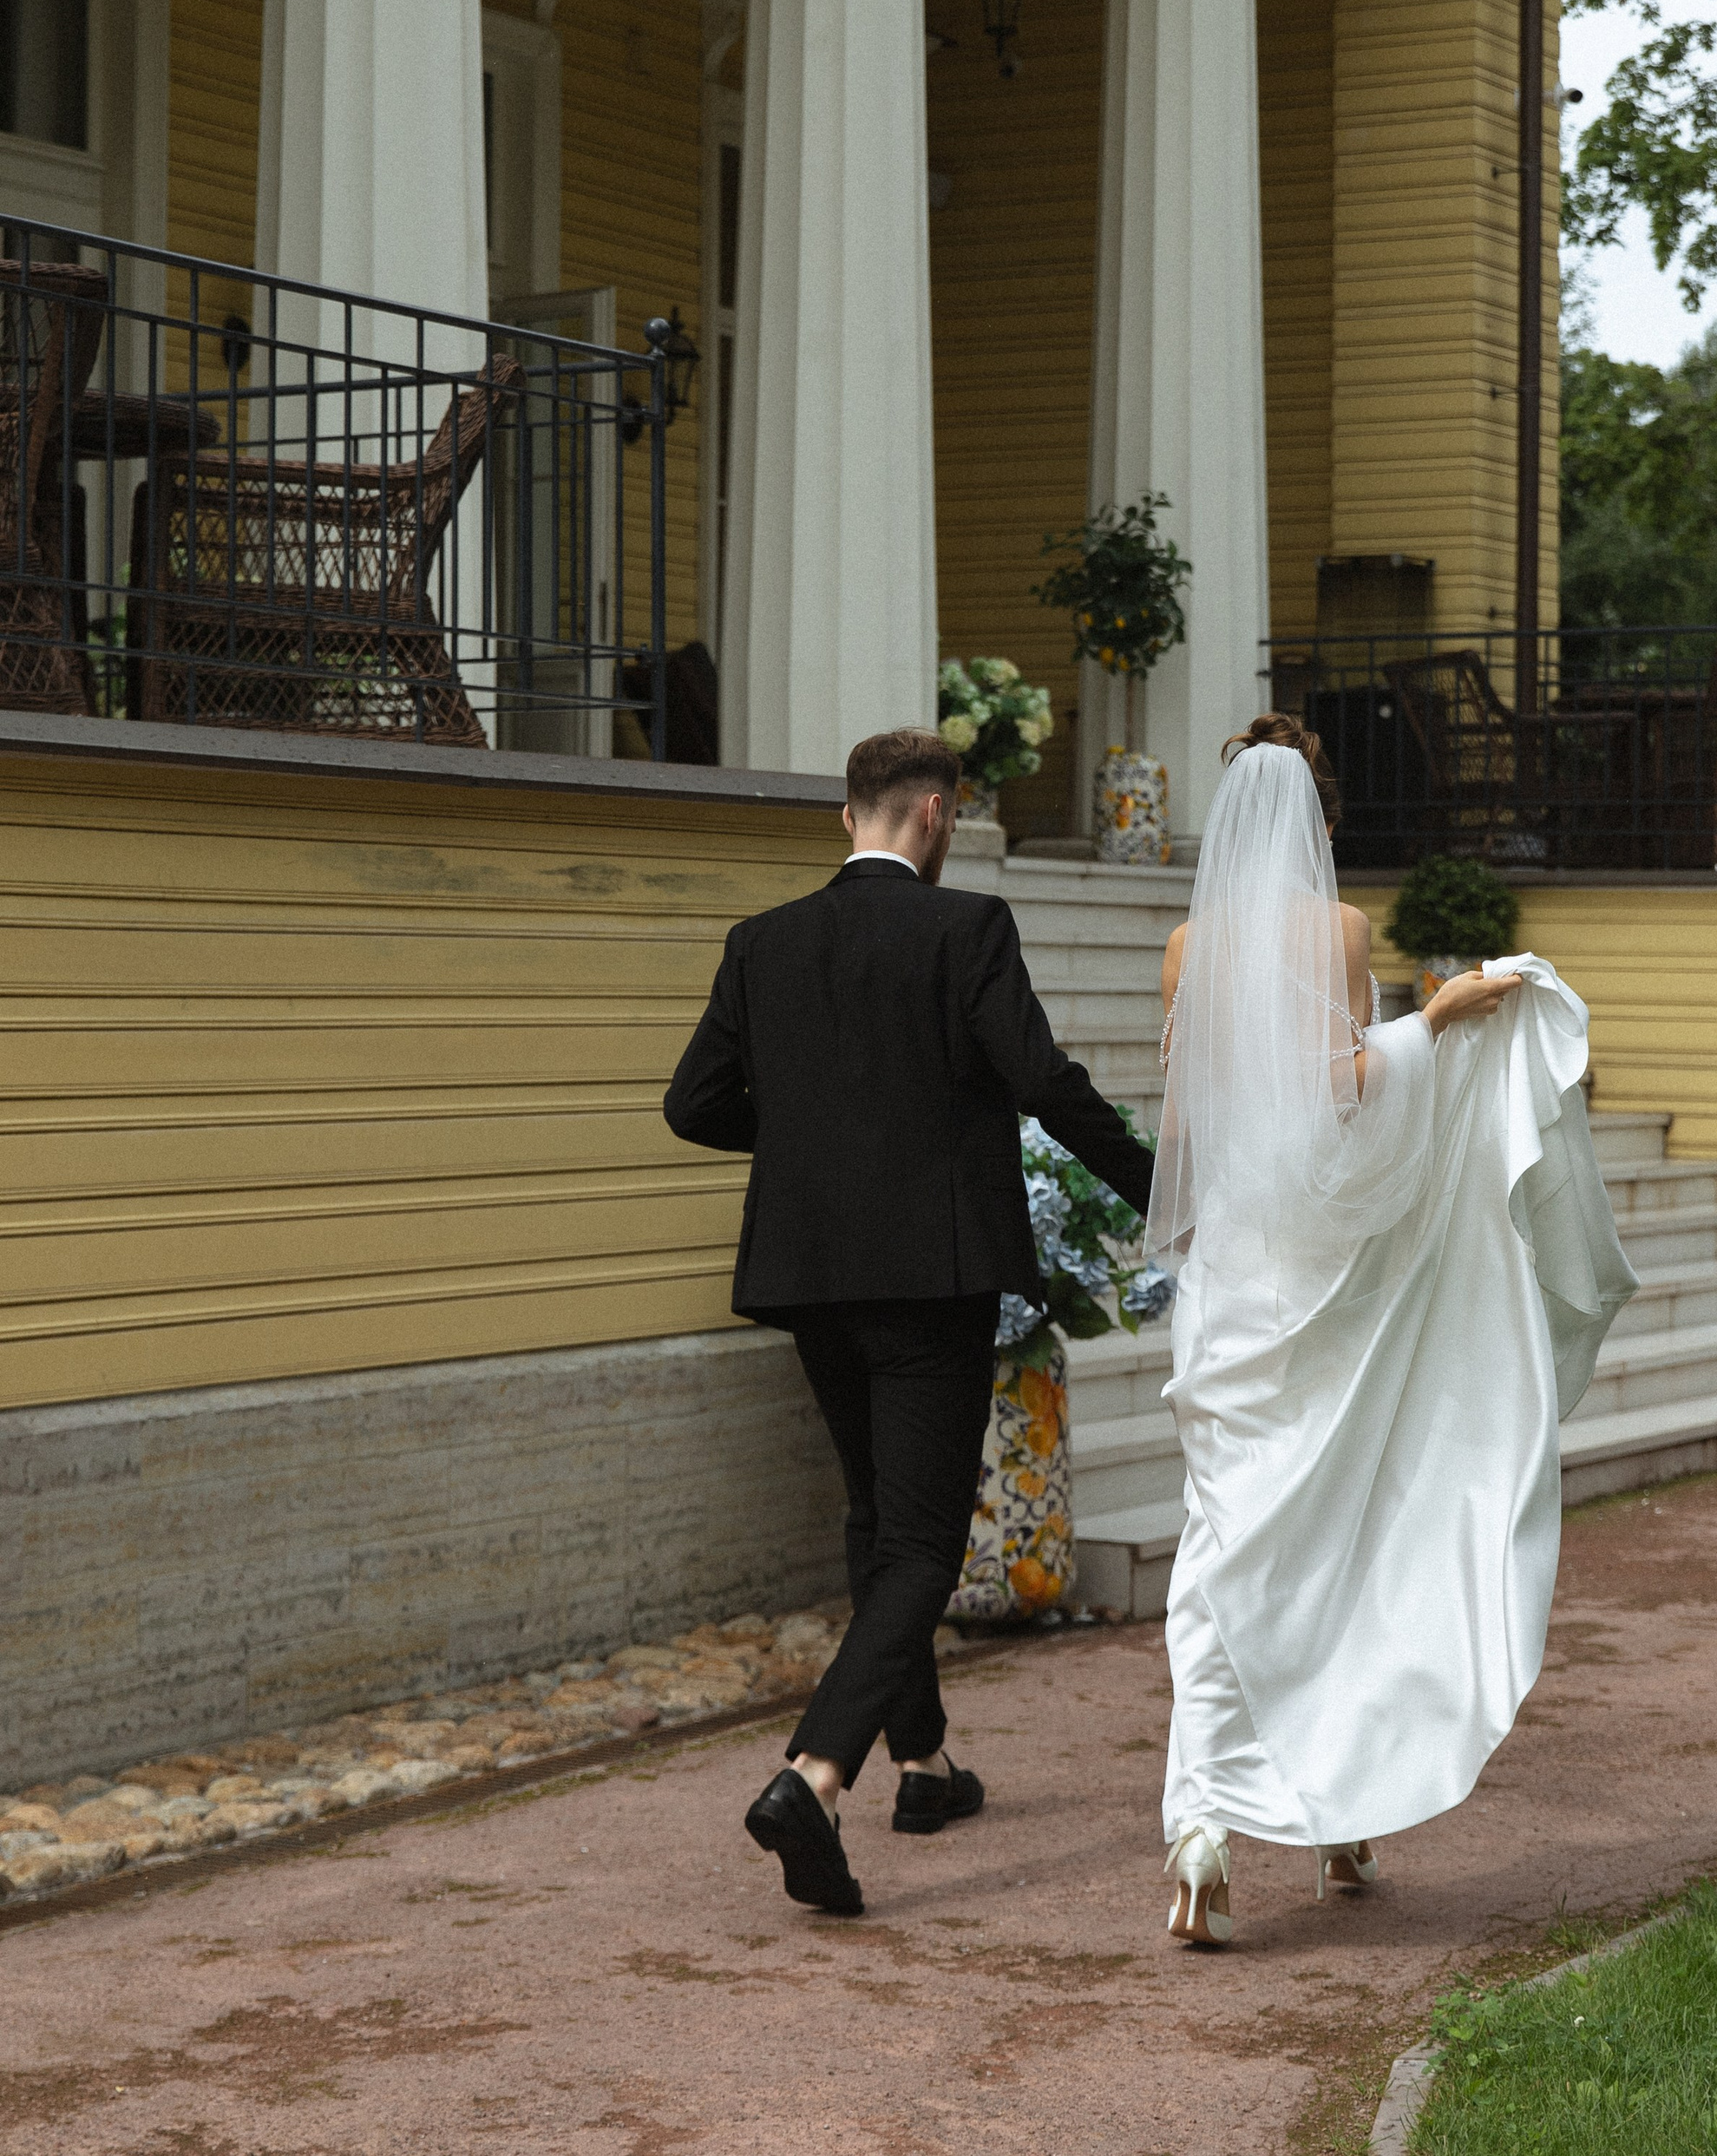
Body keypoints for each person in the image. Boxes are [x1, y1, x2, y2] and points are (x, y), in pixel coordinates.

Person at [1151, 713, 1637, 1946]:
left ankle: (1206, 1824)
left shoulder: (1182, 945)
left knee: (1223, 1547)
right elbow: (1340, 1088)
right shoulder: (1341, 930)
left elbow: (1207, 1118)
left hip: (1231, 1277)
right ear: (1315, 816)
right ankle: (1335, 1812)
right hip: (1321, 1272)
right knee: (1348, 1535)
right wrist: (1448, 1016)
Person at [665, 724, 1157, 1918]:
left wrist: (815, 1145)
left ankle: (922, 1763)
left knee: (881, 1514)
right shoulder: (968, 927)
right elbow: (1041, 1081)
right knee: (926, 1546)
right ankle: (816, 1771)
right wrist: (1163, 1186)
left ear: (852, 815)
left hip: (808, 1272)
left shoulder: (762, 941)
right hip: (930, 1275)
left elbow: (692, 1104)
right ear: (936, 815)